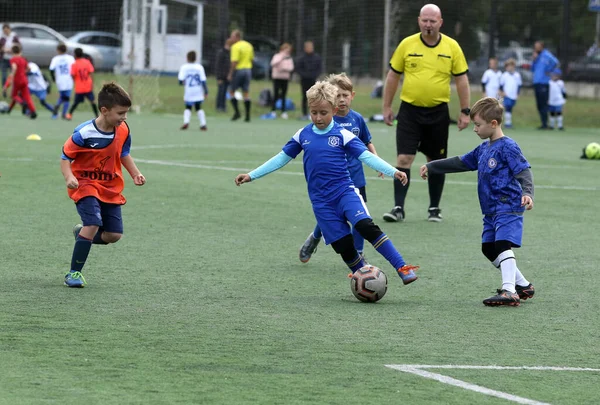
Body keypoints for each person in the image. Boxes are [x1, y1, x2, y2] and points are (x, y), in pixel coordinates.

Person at [235, 81, 419, 284]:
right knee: (344, 247)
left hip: (345, 193)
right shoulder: (303, 135)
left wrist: (393, 171)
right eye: (313, 112)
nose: (318, 118)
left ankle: (402, 267)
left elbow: (366, 156)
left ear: (333, 109)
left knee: (366, 227)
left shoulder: (342, 134)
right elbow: (281, 158)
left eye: (323, 112)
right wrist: (252, 175)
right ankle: (365, 280)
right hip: (321, 203)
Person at [419, 97, 535, 307]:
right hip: (490, 210)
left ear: (493, 124)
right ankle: (523, 285)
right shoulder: (483, 149)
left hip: (508, 205)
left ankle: (509, 291)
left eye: (478, 124)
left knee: (502, 245)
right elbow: (461, 162)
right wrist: (433, 166)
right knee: (488, 248)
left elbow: (523, 170)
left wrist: (528, 193)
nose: (475, 129)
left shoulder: (508, 146)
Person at [382, 3, 470, 224]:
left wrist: (465, 111)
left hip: (438, 112)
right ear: (419, 21)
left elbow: (462, 80)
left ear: (440, 22)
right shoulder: (407, 44)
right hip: (409, 111)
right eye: (425, 20)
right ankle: (398, 208)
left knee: (436, 160)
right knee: (404, 158)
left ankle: (434, 208)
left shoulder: (452, 47)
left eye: (433, 21)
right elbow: (393, 76)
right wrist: (386, 107)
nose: (428, 25)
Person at [60, 82, 146, 288]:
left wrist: (135, 173)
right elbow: (65, 156)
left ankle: (81, 234)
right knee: (93, 224)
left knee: (113, 235)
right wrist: (69, 177)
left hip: (110, 186)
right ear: (104, 111)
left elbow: (123, 153)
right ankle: (73, 273)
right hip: (85, 184)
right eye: (121, 113)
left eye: (126, 113)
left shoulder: (123, 129)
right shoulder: (84, 133)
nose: (124, 117)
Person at [299, 72, 382, 263]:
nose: (342, 99)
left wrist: (377, 161)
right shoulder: (327, 119)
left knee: (359, 218)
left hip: (355, 177)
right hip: (331, 179)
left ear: (352, 96)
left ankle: (359, 253)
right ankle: (315, 237)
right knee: (331, 214)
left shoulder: (358, 119)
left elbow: (367, 142)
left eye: (345, 95)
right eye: (338, 96)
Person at [3, 45, 36, 119]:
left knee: (14, 95)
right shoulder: (23, 59)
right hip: (24, 80)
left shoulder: (13, 59)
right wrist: (24, 72)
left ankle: (22, 103)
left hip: (17, 80)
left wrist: (12, 76)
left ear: (12, 51)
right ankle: (33, 112)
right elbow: (29, 68)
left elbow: (14, 68)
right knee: (27, 97)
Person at [227, 30, 254, 122]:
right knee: (245, 92)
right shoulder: (248, 45)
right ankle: (247, 116)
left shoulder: (235, 46)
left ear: (237, 37)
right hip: (248, 70)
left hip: (239, 70)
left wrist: (230, 73)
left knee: (231, 91)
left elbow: (234, 61)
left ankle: (237, 112)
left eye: (232, 37)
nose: (231, 39)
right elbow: (251, 59)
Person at [531, 41, 559, 130]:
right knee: (539, 104)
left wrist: (549, 70)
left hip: (544, 83)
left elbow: (556, 62)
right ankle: (543, 123)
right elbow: (532, 69)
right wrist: (534, 60)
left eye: (537, 46)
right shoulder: (536, 56)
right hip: (537, 82)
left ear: (542, 47)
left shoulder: (546, 54)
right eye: (535, 46)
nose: (536, 48)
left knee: (544, 104)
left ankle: (547, 124)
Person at [178, 50, 208, 130]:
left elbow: (180, 81)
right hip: (198, 90)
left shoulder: (184, 67)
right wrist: (206, 91)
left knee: (188, 107)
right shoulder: (199, 67)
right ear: (195, 58)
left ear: (187, 58)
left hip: (189, 91)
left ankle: (186, 122)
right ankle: (203, 124)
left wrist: (183, 83)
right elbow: (203, 80)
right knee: (198, 107)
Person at [295, 41, 322, 120]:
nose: (309, 48)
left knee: (314, 97)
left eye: (311, 47)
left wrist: (313, 75)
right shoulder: (301, 58)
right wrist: (305, 75)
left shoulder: (317, 57)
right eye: (308, 47)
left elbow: (319, 69)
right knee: (304, 97)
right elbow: (298, 69)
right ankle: (304, 114)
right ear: (305, 48)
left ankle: (314, 113)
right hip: (304, 80)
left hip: (313, 80)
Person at [68, 48, 98, 118]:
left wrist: (75, 80)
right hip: (88, 86)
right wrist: (92, 83)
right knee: (92, 101)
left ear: (75, 55)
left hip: (79, 87)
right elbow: (91, 72)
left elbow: (72, 75)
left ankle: (69, 114)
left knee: (76, 102)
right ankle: (97, 115)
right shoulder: (87, 62)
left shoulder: (74, 64)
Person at [267, 42, 294, 119]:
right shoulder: (277, 56)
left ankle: (283, 111)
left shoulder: (289, 58)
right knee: (275, 94)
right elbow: (273, 63)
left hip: (285, 78)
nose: (287, 51)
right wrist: (281, 58)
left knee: (284, 95)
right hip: (277, 78)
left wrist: (283, 69)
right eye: (286, 50)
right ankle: (273, 111)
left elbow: (291, 68)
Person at [49, 43, 75, 120]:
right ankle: (64, 114)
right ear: (66, 49)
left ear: (58, 50)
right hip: (68, 79)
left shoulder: (55, 59)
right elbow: (74, 67)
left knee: (62, 96)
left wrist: (53, 78)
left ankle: (56, 108)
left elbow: (51, 69)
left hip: (59, 80)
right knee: (67, 98)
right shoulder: (70, 58)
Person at [499, 58, 522, 129]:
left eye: (511, 66)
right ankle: (507, 123)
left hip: (513, 95)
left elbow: (519, 86)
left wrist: (517, 94)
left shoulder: (517, 75)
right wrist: (502, 92)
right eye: (508, 66)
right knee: (507, 107)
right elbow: (501, 85)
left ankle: (508, 122)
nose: (510, 67)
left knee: (510, 108)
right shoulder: (504, 75)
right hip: (506, 95)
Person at [0, 24, 20, 97]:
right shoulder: (2, 38)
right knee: (4, 76)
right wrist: (3, 50)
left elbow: (19, 46)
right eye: (4, 31)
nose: (5, 32)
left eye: (6, 30)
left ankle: (15, 92)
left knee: (14, 76)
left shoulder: (14, 36)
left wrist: (12, 50)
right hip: (4, 59)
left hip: (13, 60)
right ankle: (4, 91)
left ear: (9, 29)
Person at [214, 38, 232, 112]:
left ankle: (223, 106)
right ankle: (219, 106)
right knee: (220, 92)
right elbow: (218, 66)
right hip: (221, 76)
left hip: (227, 76)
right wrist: (219, 77)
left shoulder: (230, 54)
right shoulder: (221, 53)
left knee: (225, 92)